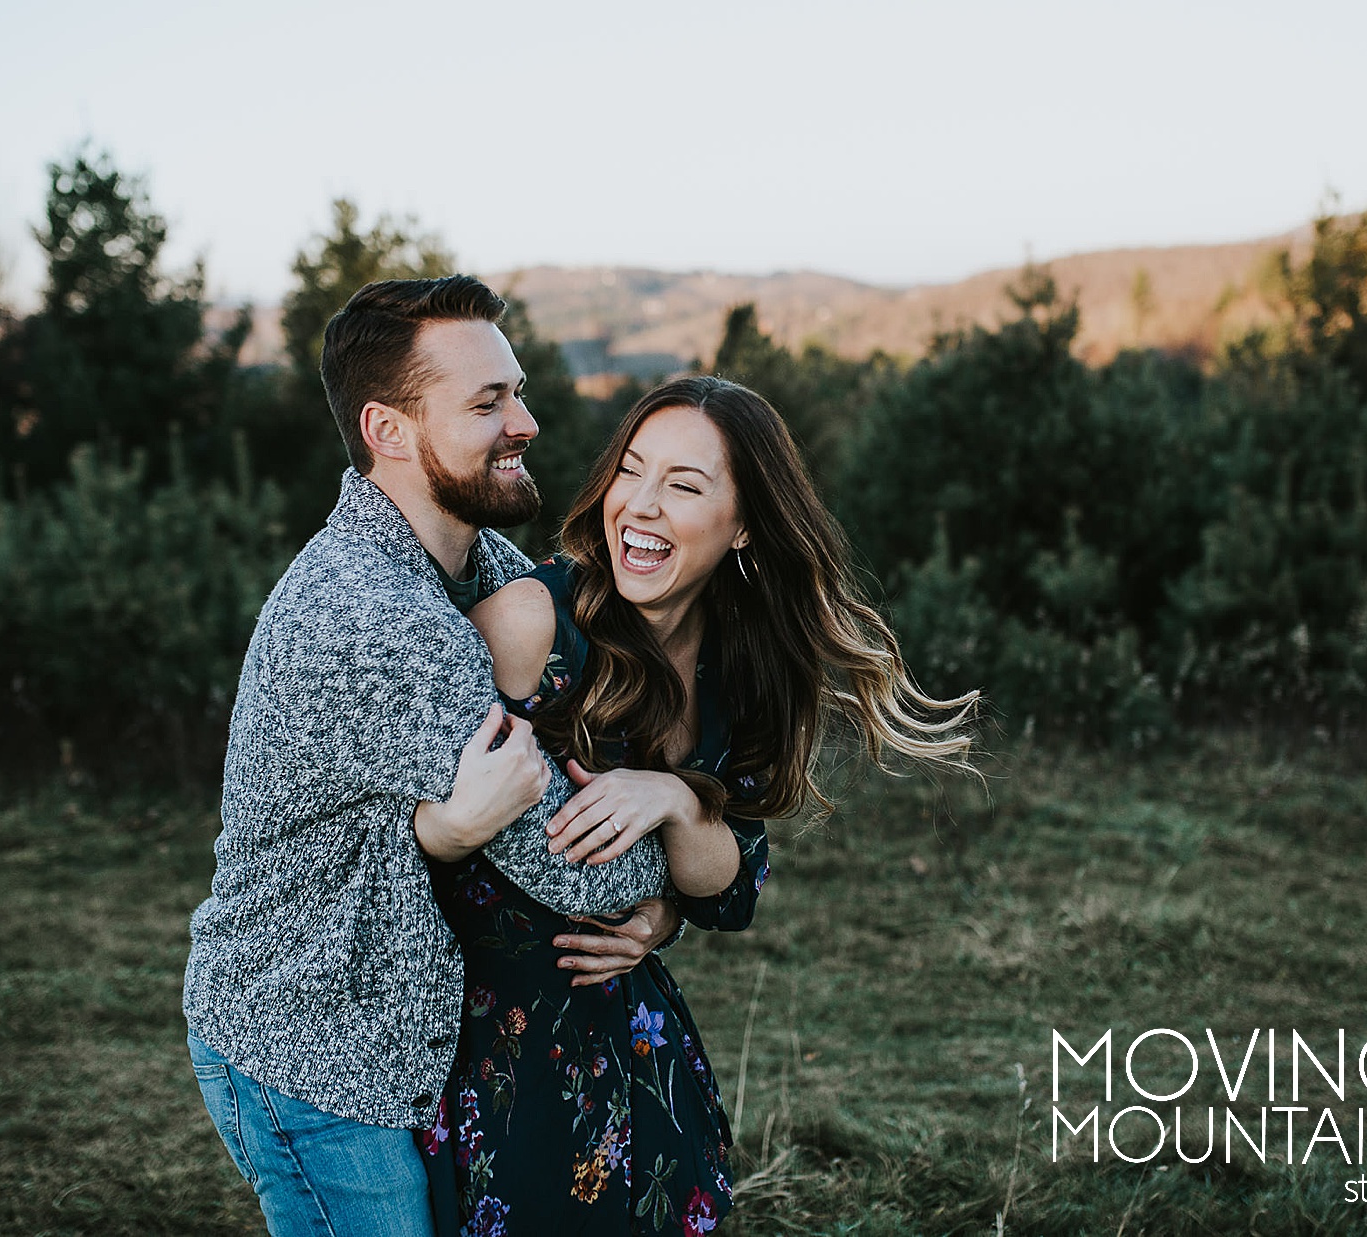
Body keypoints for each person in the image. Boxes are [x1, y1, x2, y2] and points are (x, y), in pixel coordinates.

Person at [419, 375, 979, 1235]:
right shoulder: (533, 622)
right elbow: (406, 839)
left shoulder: (746, 665)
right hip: (495, 1067)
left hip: (642, 1066)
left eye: (683, 486)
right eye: (630, 472)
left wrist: (676, 802)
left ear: (746, 522)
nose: (640, 507)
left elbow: (732, 888)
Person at [183, 276, 680, 1237]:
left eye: (518, 391)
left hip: (397, 1036)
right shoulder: (372, 614)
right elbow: (569, 859)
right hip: (313, 1051)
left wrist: (666, 803)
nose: (525, 421)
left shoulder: (476, 567)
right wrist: (689, 856)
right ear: (390, 430)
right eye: (487, 402)